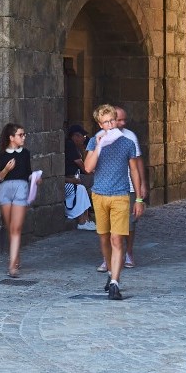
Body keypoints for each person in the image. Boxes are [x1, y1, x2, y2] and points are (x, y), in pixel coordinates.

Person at [82, 104, 142, 300]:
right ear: (100, 124)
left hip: (120, 196)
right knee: (104, 238)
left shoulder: (127, 143)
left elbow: (134, 170)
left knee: (117, 239)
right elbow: (88, 168)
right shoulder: (94, 141)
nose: (110, 125)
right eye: (105, 122)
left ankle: (115, 282)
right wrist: (99, 145)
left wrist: (139, 198)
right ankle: (109, 272)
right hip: (99, 195)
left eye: (112, 120)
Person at [0, 123, 33, 276]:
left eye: (23, 134)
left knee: (16, 228)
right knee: (10, 227)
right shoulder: (1, 154)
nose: (24, 137)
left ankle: (12, 265)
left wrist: (35, 178)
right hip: (5, 190)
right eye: (20, 135)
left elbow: (28, 172)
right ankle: (16, 257)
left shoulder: (25, 153)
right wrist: (6, 169)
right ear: (11, 137)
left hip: (21, 189)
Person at [112, 106, 143, 269]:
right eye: (119, 120)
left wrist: (141, 187)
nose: (123, 123)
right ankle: (110, 255)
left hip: (129, 187)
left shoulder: (130, 137)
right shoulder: (99, 138)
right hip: (109, 188)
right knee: (109, 225)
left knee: (130, 224)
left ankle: (128, 251)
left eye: (125, 119)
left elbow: (137, 163)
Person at [63, 124, 95, 229]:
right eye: (83, 137)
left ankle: (87, 218)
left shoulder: (74, 146)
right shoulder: (70, 145)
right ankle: (83, 220)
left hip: (75, 179)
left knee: (87, 187)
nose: (84, 139)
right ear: (75, 136)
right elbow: (84, 168)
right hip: (68, 182)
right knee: (82, 188)